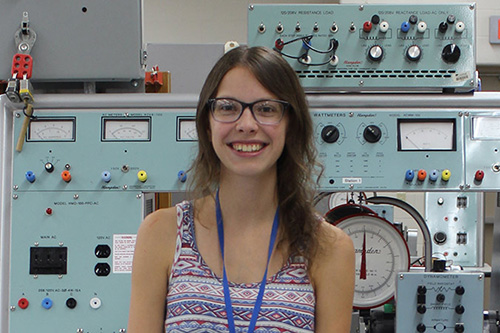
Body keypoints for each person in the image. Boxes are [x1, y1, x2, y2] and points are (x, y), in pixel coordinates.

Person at [127, 46, 355, 333]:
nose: (247, 124)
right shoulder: (161, 233)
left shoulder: (329, 248)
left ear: (290, 125)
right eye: (227, 107)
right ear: (207, 125)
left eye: (266, 109)